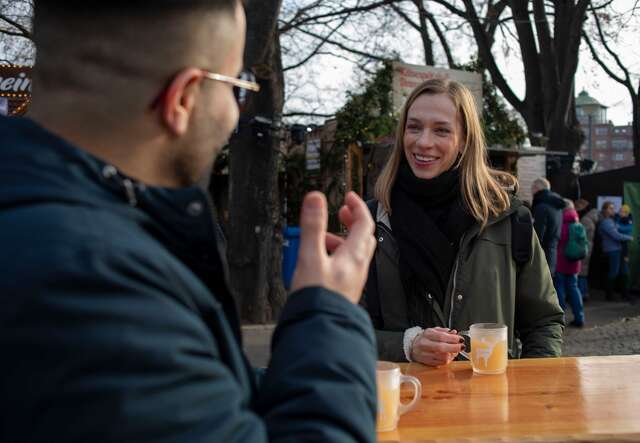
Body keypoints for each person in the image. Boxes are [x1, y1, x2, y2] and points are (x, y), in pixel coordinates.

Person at [0, 2, 379, 442]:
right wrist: (327, 315)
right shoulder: (93, 285)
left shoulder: (49, 224)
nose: (235, 114)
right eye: (236, 87)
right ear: (183, 98)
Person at [360, 78, 564, 366]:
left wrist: (529, 392)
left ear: (465, 140)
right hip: (403, 402)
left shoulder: (509, 218)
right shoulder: (370, 223)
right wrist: (407, 345)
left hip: (489, 404)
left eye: (441, 130)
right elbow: (343, 331)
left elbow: (543, 322)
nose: (423, 142)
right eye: (414, 127)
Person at [554, 200, 585, 327]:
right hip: (575, 262)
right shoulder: (578, 223)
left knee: (560, 289)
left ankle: (561, 318)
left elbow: (557, 240)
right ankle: (580, 317)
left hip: (561, 261)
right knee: (574, 288)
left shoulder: (561, 223)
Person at [531, 177, 566, 274]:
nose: (531, 192)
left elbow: (538, 235)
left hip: (542, 255)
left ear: (536, 188)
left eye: (532, 189)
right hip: (552, 253)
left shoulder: (541, 207)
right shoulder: (557, 207)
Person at [600, 201, 633, 301]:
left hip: (618, 249)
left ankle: (624, 294)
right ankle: (609, 296)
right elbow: (616, 235)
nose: (613, 210)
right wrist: (629, 237)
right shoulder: (606, 222)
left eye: (613, 208)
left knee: (623, 271)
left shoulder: (612, 220)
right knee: (613, 272)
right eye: (610, 208)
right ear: (605, 210)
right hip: (612, 250)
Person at [577, 200, 601, 301]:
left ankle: (582, 293)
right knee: (584, 271)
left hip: (584, 246)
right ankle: (584, 292)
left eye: (577, 206)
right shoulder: (593, 217)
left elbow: (580, 235)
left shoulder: (585, 219)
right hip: (589, 246)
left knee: (582, 272)